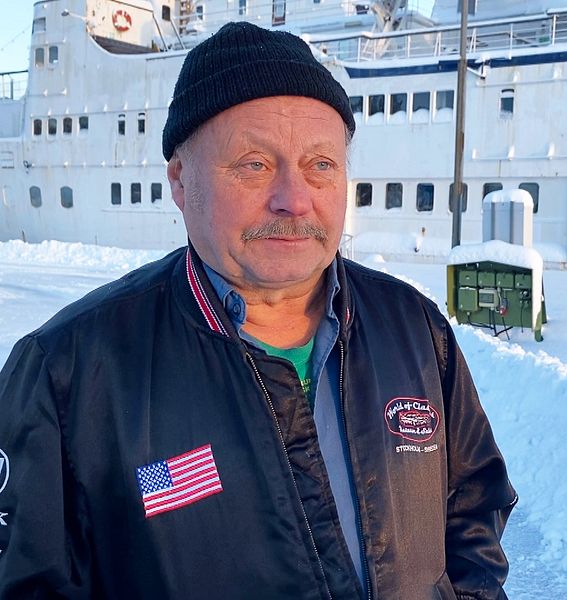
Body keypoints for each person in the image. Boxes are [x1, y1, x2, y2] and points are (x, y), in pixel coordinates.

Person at [0, 21, 516, 599]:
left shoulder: (417, 331)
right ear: (179, 177)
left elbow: (474, 507)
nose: (295, 200)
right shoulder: (65, 375)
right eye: (253, 164)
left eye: (321, 164)